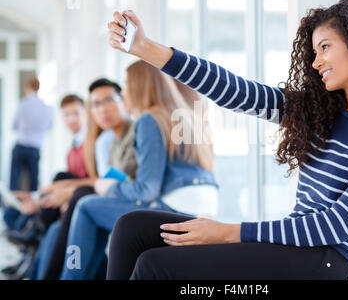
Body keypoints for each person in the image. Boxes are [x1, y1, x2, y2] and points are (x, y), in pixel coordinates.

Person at [105, 0, 348, 281]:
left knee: (156, 265)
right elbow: (232, 91)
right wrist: (145, 48)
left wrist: (229, 233)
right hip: (295, 247)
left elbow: (337, 225)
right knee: (131, 229)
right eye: (313, 52)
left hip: (334, 262)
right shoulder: (318, 110)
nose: (315, 62)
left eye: (325, 47)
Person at [58, 60, 218, 280]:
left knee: (86, 206)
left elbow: (146, 190)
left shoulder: (149, 119)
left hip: (176, 207)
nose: (123, 92)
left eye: (126, 84)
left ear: (140, 85)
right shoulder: (184, 114)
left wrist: (110, 186)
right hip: (206, 206)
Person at [40, 78, 137, 280]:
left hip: (129, 199)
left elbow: (123, 180)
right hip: (113, 196)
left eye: (110, 100)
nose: (103, 109)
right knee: (65, 218)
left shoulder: (134, 132)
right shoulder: (109, 139)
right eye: (97, 104)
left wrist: (70, 189)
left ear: (124, 101)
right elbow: (110, 178)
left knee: (81, 201)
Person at [2, 94, 89, 280]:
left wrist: (42, 201)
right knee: (37, 200)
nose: (71, 119)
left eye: (76, 113)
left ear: (86, 113)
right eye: (66, 115)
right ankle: (26, 259)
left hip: (75, 201)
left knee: (56, 184)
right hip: (68, 199)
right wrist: (34, 196)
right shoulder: (73, 148)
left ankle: (31, 238)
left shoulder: (89, 144)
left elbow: (85, 182)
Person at [3, 76, 53, 233]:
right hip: (35, 148)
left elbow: (14, 125)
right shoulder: (46, 107)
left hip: (21, 146)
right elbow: (49, 127)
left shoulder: (23, 104)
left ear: (28, 88)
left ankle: (11, 221)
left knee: (14, 185)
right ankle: (27, 222)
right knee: (32, 186)